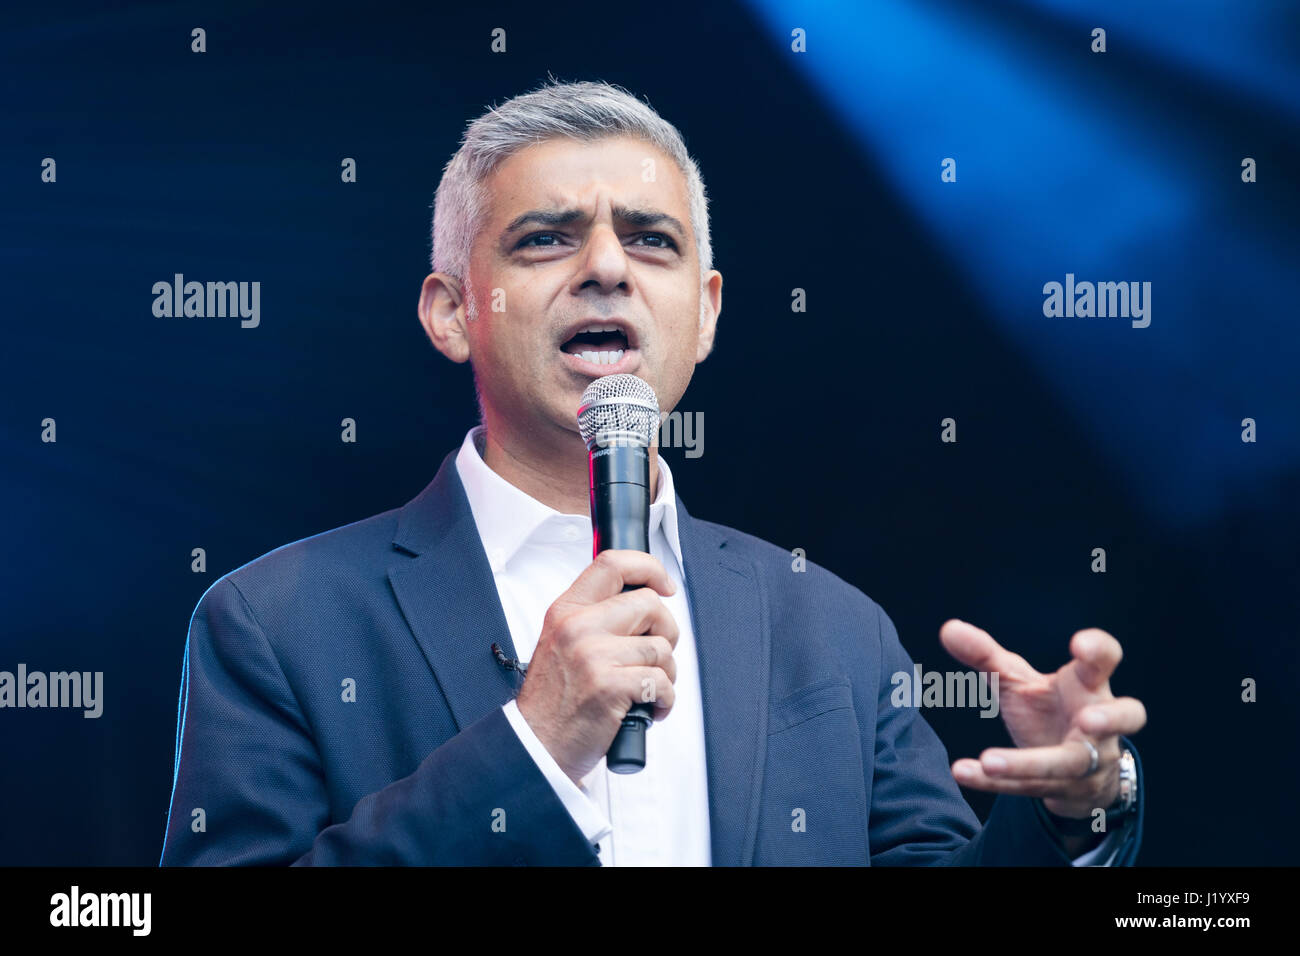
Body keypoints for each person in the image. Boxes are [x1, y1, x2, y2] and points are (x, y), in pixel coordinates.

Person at [160, 79, 1145, 866]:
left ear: (706, 311)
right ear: (452, 311)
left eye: (650, 238)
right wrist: (536, 742)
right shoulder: (275, 621)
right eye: (546, 237)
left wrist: (1071, 814)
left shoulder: (833, 627)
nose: (605, 267)